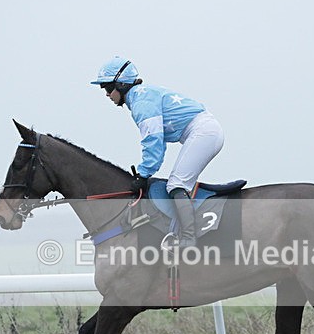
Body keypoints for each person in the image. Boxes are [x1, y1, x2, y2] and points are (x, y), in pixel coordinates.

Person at [91, 56, 224, 248]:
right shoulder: (140, 97)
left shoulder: (141, 102)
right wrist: (146, 170)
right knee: (177, 183)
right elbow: (158, 142)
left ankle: (188, 238)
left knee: (177, 184)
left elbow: (152, 140)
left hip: (203, 132)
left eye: (107, 88)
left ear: (120, 84)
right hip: (204, 131)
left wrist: (144, 173)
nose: (106, 94)